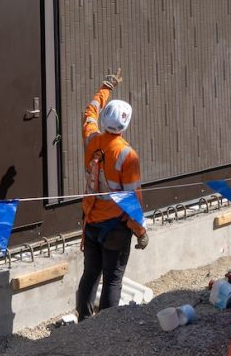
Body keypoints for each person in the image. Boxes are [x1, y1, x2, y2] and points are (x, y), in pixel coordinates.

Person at [75, 68, 148, 320]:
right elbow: (132, 199)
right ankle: (106, 331)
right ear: (125, 124)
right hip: (115, 226)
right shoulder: (127, 155)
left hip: (90, 220)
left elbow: (89, 112)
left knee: (90, 275)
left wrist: (106, 86)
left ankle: (85, 324)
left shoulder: (90, 139)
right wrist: (140, 231)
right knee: (113, 279)